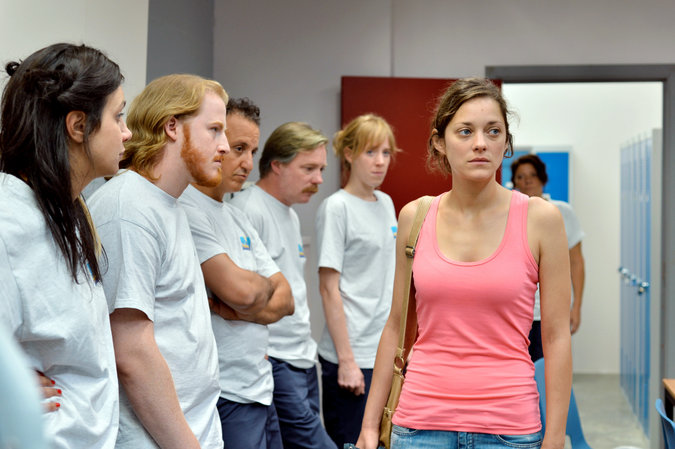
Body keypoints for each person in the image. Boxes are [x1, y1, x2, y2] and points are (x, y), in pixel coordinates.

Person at [355, 78, 573, 449]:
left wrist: (554, 438)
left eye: (493, 131)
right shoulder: (415, 217)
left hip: (509, 429)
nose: (480, 143)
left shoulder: (541, 219)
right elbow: (395, 326)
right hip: (419, 426)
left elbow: (555, 337)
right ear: (440, 141)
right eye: (465, 131)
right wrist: (369, 426)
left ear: (506, 142)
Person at [0, 43, 131, 448]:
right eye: (118, 116)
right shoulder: (9, 222)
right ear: (78, 126)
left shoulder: (68, 211)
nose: (127, 132)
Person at [88, 74, 229, 449]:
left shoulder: (167, 203)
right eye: (214, 130)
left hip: (193, 428)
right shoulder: (130, 208)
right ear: (172, 126)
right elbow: (132, 353)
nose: (225, 146)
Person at [179, 97, 294, 449]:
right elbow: (243, 292)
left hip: (260, 386)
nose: (247, 163)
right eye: (238, 148)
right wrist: (255, 292)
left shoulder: (236, 215)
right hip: (225, 392)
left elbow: (286, 299)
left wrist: (239, 308)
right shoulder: (186, 209)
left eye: (252, 151)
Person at [229, 122, 337, 449]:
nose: (318, 179)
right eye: (308, 168)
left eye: (321, 169)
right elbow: (243, 295)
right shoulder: (248, 209)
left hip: (302, 356)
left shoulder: (289, 213)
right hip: (275, 358)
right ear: (277, 165)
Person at [315, 114, 399, 446]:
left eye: (386, 152)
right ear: (349, 154)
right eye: (370, 152)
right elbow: (328, 288)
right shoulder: (336, 207)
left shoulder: (386, 203)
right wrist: (347, 361)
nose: (380, 162)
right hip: (352, 356)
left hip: (384, 352)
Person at [511, 153, 586, 361]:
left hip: (550, 312)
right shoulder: (508, 213)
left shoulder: (562, 212)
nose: (527, 181)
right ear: (514, 182)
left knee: (547, 370)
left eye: (532, 175)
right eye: (520, 176)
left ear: (542, 178)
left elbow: (576, 262)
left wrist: (576, 306)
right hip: (515, 313)